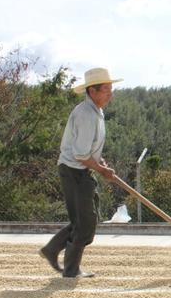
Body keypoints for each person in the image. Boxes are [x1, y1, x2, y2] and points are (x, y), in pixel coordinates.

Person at [39, 67, 122, 278]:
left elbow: (88, 150)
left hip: (81, 171)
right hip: (73, 171)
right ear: (92, 91)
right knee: (85, 225)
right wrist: (102, 170)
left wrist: (100, 161)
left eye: (111, 89)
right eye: (105, 90)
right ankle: (71, 270)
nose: (110, 94)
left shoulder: (96, 112)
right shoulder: (86, 115)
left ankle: (51, 249)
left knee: (85, 221)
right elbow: (79, 155)